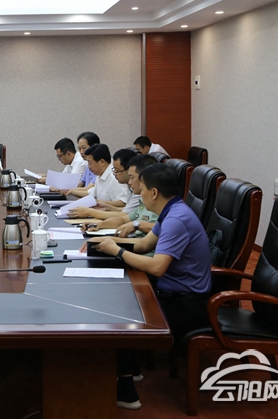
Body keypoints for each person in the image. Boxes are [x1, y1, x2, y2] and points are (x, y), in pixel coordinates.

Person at [86, 163, 211, 409]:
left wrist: (117, 251)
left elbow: (157, 267)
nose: (138, 193)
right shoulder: (171, 210)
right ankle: (131, 369)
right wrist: (108, 240)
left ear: (154, 193)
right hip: (173, 289)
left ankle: (127, 391)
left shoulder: (176, 219)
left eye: (141, 189)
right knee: (118, 293)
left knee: (120, 311)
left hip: (186, 302)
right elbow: (144, 245)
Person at [82, 154, 158, 238]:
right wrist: (100, 224)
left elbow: (148, 240)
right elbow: (123, 219)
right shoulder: (142, 202)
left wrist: (135, 225)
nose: (130, 182)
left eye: (132, 177)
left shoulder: (156, 205)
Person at [67, 144, 128, 217]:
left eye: (90, 163)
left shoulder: (115, 177)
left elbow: (123, 202)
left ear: (102, 162)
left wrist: (99, 202)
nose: (89, 167)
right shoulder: (99, 176)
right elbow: (90, 194)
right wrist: (71, 191)